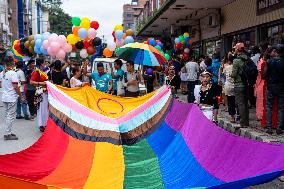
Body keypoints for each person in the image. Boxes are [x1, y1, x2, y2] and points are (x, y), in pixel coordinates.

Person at [0, 57, 23, 140]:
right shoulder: (13, 73)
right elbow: (16, 87)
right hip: (11, 97)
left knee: (7, 115)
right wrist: (21, 95)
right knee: (10, 116)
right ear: (12, 63)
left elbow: (0, 85)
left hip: (4, 96)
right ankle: (7, 133)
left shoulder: (2, 73)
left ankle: (8, 132)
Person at [263, 44, 284, 135]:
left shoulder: (269, 61)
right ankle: (279, 128)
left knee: (269, 107)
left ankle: (269, 128)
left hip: (271, 86)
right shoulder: (283, 62)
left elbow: (264, 74)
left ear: (276, 51)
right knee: (281, 108)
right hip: (281, 87)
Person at [231, 42, 249, 128]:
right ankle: (246, 121)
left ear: (237, 50)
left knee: (240, 104)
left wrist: (230, 75)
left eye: (235, 49)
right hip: (246, 84)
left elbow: (234, 74)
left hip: (239, 84)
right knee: (245, 103)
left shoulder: (236, 60)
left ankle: (242, 123)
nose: (234, 50)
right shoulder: (247, 58)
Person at [30, 58, 49, 132]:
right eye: (44, 62)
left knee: (44, 109)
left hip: (44, 92)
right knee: (42, 109)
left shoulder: (41, 71)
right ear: (41, 64)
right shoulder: (36, 72)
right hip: (40, 92)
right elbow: (31, 82)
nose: (45, 64)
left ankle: (44, 124)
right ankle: (42, 124)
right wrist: (42, 83)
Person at [223, 53, 236, 123]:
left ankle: (232, 117)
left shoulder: (227, 67)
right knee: (237, 102)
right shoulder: (236, 66)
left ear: (229, 61)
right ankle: (239, 117)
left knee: (230, 102)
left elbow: (224, 76)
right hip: (236, 86)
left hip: (228, 86)